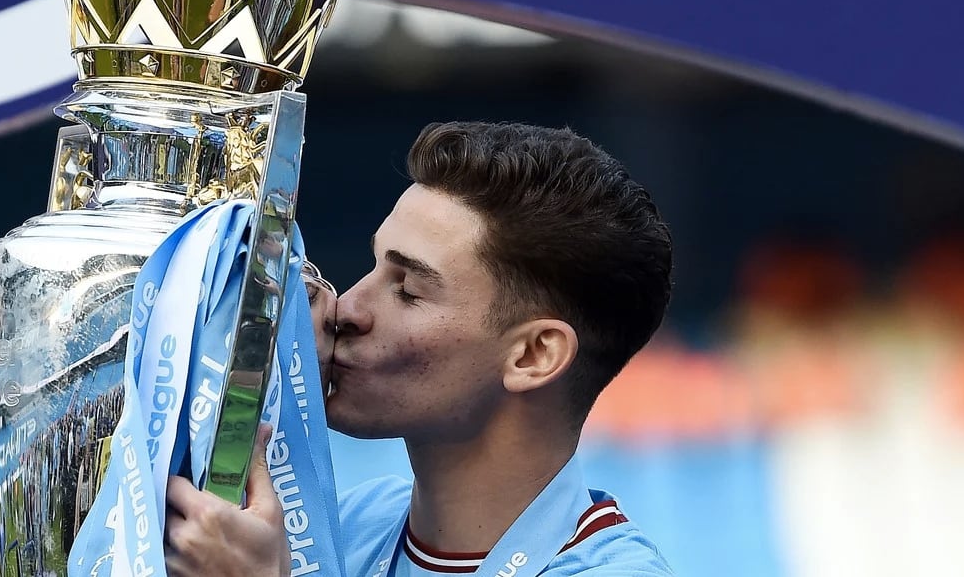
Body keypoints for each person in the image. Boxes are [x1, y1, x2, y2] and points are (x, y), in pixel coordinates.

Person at [164, 121, 676, 576]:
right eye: (375, 267)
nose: (349, 308)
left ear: (534, 355)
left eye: (408, 290)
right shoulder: (339, 525)